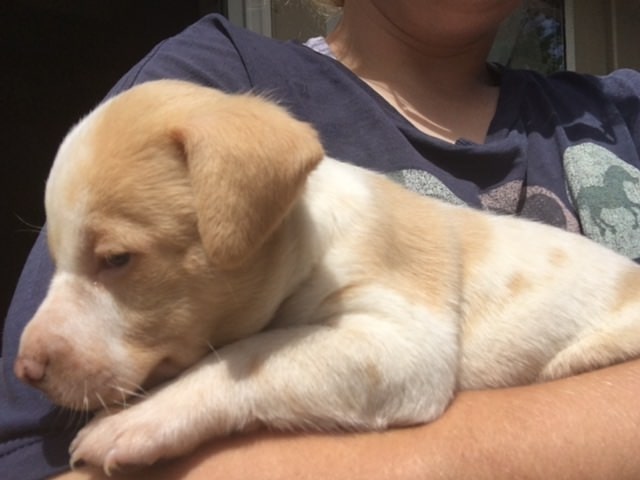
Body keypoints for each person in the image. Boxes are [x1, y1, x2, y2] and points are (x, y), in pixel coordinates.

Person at [2, 1, 639, 478]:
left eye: (115, 258)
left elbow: (405, 368)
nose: (32, 356)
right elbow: (34, 454)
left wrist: (215, 394)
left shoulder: (622, 106)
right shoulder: (206, 77)